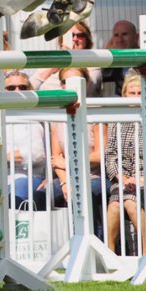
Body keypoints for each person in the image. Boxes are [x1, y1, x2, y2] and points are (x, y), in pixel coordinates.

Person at [104, 71, 146, 255]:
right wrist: (122, 177)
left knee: (131, 203)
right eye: (131, 93)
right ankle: (110, 254)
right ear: (124, 94)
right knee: (115, 205)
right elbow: (110, 154)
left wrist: (142, 178)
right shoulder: (117, 120)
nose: (136, 97)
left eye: (140, 93)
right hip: (122, 181)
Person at [46, 67, 107, 237]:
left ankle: (93, 245)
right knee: (40, 193)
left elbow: (100, 155)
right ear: (61, 85)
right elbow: (55, 157)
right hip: (67, 177)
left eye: (78, 81)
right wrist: (65, 182)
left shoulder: (96, 112)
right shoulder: (56, 118)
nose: (71, 85)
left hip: (96, 176)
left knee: (83, 189)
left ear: (87, 83)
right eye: (65, 82)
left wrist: (69, 163)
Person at [2, 72, 48, 208]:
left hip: (28, 177)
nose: (17, 91)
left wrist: (2, 156)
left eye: (23, 87)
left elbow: (37, 154)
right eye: (11, 88)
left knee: (18, 190)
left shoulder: (35, 118)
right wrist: (11, 156)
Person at [30, 21, 102, 96]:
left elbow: (88, 90)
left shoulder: (93, 64)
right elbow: (30, 87)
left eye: (80, 35)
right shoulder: (51, 62)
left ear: (87, 40)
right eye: (70, 35)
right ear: (62, 39)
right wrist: (55, 66)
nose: (75, 39)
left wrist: (73, 59)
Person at [101, 19, 139, 96]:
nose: (120, 39)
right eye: (116, 35)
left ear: (136, 37)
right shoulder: (113, 61)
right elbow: (102, 75)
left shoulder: (145, 58)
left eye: (124, 34)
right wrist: (107, 53)